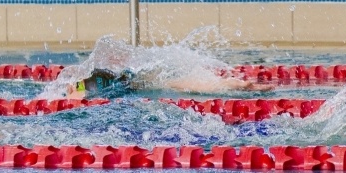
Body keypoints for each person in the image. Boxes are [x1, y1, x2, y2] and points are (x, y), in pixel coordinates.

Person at [62, 68, 272, 99]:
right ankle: (234, 84)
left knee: (182, 85)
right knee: (182, 84)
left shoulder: (79, 85)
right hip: (135, 81)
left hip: (135, 85)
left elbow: (76, 98)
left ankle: (234, 85)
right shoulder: (82, 80)